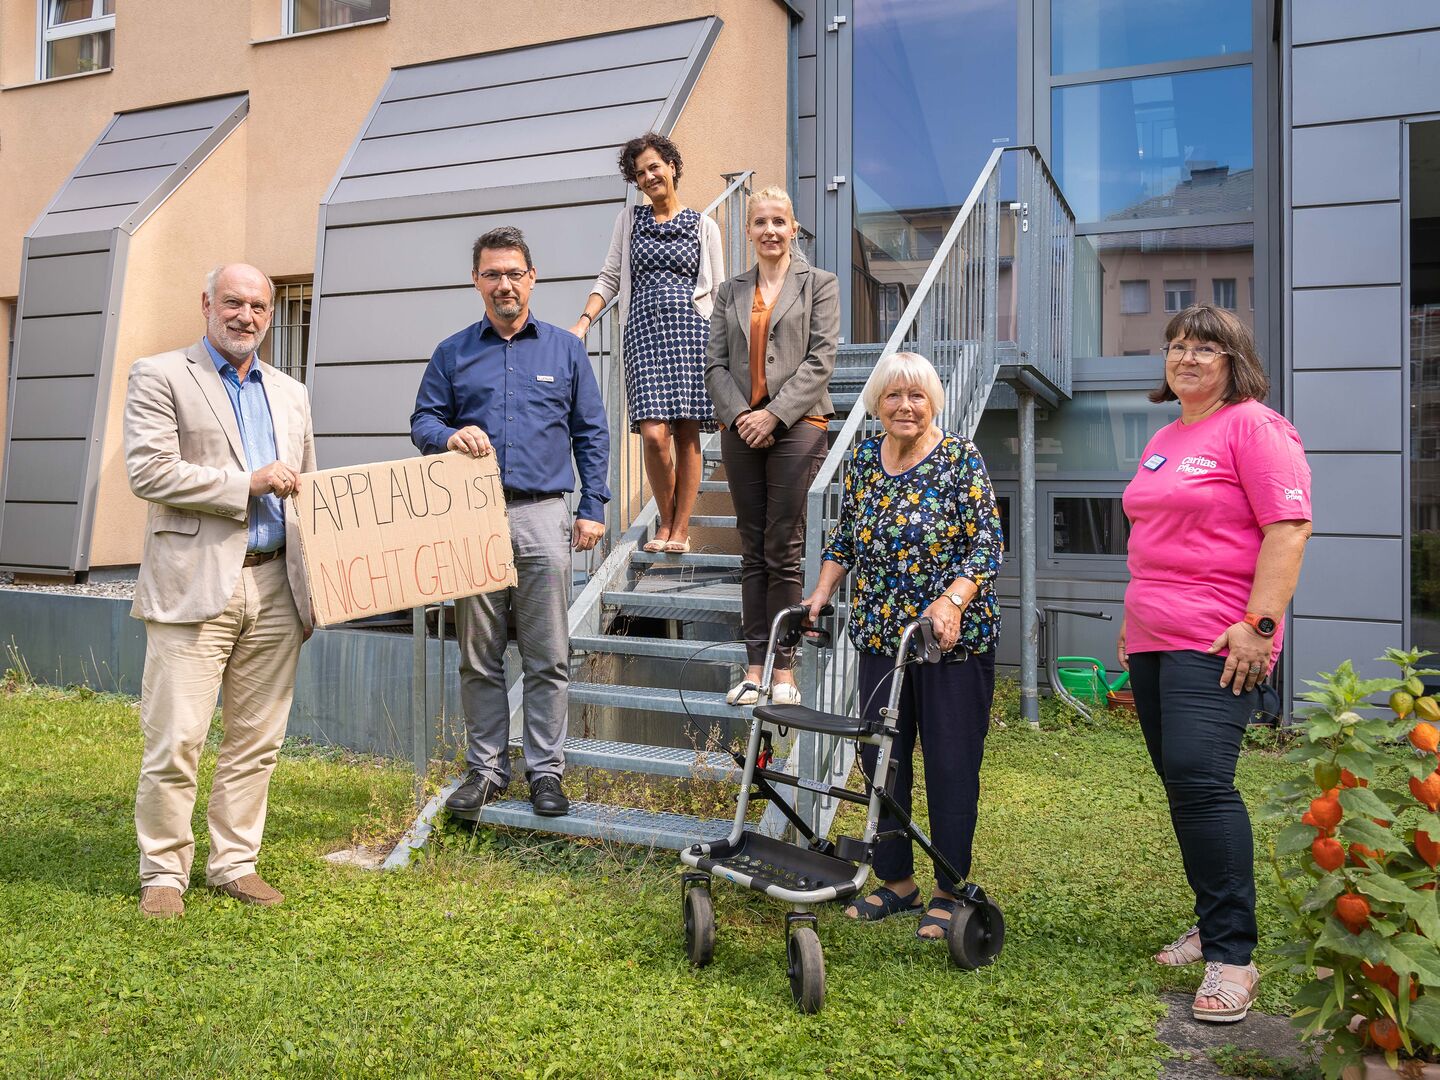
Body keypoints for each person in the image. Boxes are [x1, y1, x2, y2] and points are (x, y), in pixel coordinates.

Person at [1119, 303, 1311, 1023]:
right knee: (1183, 786)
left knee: (1203, 783)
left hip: (1219, 640)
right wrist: (1131, 622)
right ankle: (1210, 922)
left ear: (1233, 360)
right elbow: (1153, 538)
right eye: (1177, 347)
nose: (1187, 358)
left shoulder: (1256, 427)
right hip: (1153, 635)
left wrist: (1260, 626)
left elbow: (1288, 529)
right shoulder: (1167, 437)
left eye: (1205, 348)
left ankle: (1234, 956)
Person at [123, 263, 315, 918]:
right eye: (233, 303)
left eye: (258, 307)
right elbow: (149, 471)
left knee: (256, 739)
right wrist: (247, 485)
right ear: (206, 303)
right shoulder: (161, 375)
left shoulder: (292, 392)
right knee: (176, 737)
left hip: (277, 583)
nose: (246, 317)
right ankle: (164, 873)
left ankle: (233, 863)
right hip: (194, 581)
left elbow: (308, 491)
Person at [801, 351, 1003, 940]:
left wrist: (952, 601)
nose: (905, 406)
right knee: (880, 758)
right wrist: (820, 592)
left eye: (916, 396)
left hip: (948, 642)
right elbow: (846, 536)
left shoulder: (960, 457)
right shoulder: (865, 456)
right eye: (893, 396)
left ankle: (947, 887)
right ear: (877, 404)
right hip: (881, 639)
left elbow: (987, 545)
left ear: (933, 400)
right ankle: (896, 881)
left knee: (949, 762)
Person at [412, 226, 609, 819]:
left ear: (532, 278)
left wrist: (593, 506)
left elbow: (591, 432)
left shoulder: (565, 350)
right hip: (472, 518)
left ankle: (546, 772)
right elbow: (422, 419)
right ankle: (487, 770)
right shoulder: (452, 353)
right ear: (477, 281)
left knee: (548, 654)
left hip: (544, 515)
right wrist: (448, 435)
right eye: (492, 273)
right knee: (480, 653)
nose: (505, 283)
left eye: (514, 272)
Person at [705, 185, 837, 705]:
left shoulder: (819, 285)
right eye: (760, 222)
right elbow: (715, 364)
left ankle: (785, 669)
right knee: (752, 548)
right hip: (741, 428)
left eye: (779, 221)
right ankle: (754, 666)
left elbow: (821, 358)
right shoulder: (730, 291)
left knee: (783, 548)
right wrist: (741, 414)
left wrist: (775, 415)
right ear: (748, 231)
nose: (770, 231)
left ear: (794, 227)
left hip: (799, 424)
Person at [572, 132, 723, 554]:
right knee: (654, 434)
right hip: (642, 332)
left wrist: (724, 352)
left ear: (672, 167)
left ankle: (679, 528)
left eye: (655, 166)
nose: (649, 176)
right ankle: (668, 514)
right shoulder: (629, 221)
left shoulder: (703, 225)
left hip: (692, 331)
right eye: (640, 173)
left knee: (687, 432)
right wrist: (584, 321)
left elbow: (719, 291)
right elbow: (609, 277)